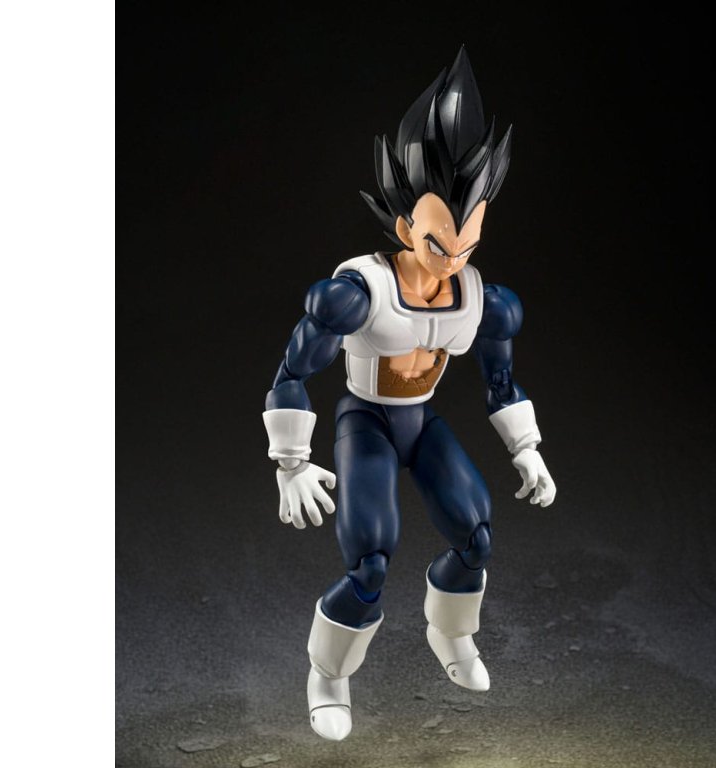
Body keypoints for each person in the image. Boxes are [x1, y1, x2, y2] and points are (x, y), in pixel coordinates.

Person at [261, 46, 557, 741]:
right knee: (370, 557)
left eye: (466, 243)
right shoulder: (357, 292)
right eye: (438, 243)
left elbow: (500, 379)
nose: (453, 260)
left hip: (419, 424)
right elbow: (292, 371)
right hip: (365, 421)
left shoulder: (483, 298)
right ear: (404, 227)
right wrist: (290, 463)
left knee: (476, 534)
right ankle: (328, 674)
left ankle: (449, 632)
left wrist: (527, 448)